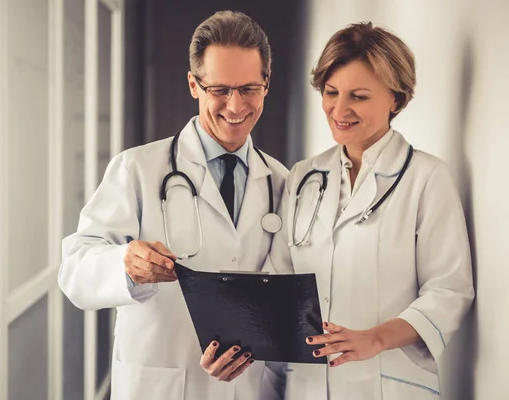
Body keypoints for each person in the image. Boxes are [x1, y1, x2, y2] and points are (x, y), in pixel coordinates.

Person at [201, 22, 474, 399]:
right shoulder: (303, 177)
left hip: (386, 385)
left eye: (359, 96)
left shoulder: (426, 178)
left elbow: (449, 290)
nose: (339, 109)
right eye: (331, 93)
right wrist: (235, 347)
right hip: (306, 386)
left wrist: (374, 339)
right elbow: (279, 282)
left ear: (395, 99)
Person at [58, 10, 289, 400]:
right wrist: (125, 265)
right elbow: (74, 271)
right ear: (194, 85)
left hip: (247, 386)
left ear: (267, 84)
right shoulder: (138, 169)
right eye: (220, 90)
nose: (235, 107)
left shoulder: (282, 183)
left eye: (249, 89)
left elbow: (286, 294)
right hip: (160, 384)